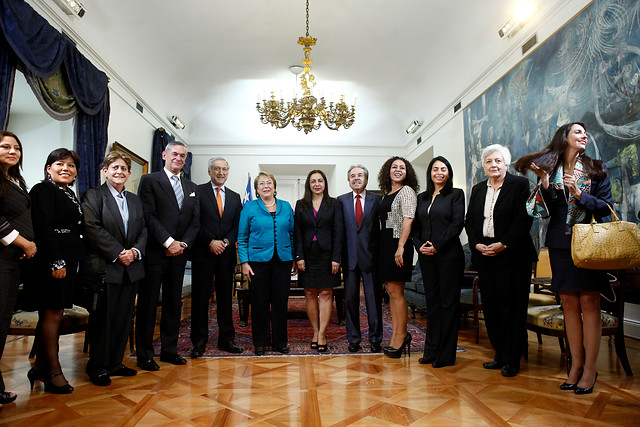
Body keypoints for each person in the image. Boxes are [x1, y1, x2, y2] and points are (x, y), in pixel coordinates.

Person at [515, 122, 612, 394]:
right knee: (569, 303)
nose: (583, 136)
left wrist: (580, 195)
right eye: (577, 132)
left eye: (584, 133)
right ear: (565, 138)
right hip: (559, 244)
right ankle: (575, 365)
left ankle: (590, 368)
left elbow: (606, 206)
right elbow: (541, 211)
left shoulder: (596, 168)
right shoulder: (552, 170)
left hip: (588, 243)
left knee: (590, 301)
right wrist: (545, 183)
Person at [465, 144, 536, 378]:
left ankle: (512, 359)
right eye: (488, 161)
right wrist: (475, 243)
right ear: (484, 166)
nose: (493, 165)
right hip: (484, 254)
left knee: (512, 308)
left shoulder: (520, 185)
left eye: (497, 161)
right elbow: (470, 221)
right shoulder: (477, 189)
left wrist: (503, 243)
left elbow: (524, 219)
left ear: (506, 163)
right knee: (492, 307)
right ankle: (499, 354)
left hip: (513, 254)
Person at [81, 151, 147, 386]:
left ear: (129, 173)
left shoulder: (135, 200)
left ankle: (116, 363)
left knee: (124, 317)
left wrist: (135, 252)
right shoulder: (93, 195)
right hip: (106, 268)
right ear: (105, 171)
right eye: (114, 167)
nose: (119, 172)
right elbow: (91, 227)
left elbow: (142, 231)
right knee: (104, 319)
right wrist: (119, 252)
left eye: (123, 169)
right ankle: (97, 366)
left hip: (131, 269)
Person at [136, 141, 200, 370]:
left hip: (179, 255)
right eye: (175, 154)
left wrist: (182, 244)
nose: (179, 158)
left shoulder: (192, 186)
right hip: (156, 252)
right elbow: (149, 215)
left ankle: (169, 350)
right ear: (164, 155)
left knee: (174, 305)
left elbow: (195, 222)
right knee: (148, 305)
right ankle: (144, 354)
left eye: (183, 155)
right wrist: (168, 241)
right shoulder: (150, 181)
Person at [27, 148, 84, 394]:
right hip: (52, 264)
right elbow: (43, 228)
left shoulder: (68, 193)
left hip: (67, 262)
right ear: (48, 168)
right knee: (51, 314)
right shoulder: (42, 190)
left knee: (56, 313)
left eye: (71, 166)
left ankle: (40, 367)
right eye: (60, 164)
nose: (66, 169)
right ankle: (53, 371)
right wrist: (56, 262)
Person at [413, 156, 465, 368]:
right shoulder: (422, 197)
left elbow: (457, 224)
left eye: (443, 169)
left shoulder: (456, 194)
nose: (439, 172)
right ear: (430, 173)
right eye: (435, 169)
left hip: (449, 256)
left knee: (448, 304)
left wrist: (437, 245)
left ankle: (446, 355)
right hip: (426, 257)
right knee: (432, 304)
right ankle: (431, 351)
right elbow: (415, 227)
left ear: (449, 173)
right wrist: (419, 246)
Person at [238, 172, 295, 355]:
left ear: (275, 187)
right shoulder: (249, 208)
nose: (265, 186)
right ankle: (260, 342)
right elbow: (242, 237)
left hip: (283, 261)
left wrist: (293, 257)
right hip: (257, 263)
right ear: (256, 189)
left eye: (269, 182)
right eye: (261, 183)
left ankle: (280, 342)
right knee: (259, 303)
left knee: (280, 303)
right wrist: (244, 262)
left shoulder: (286, 207)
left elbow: (293, 234)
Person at [190, 157, 243, 357]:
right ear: (210, 171)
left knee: (225, 299)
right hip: (204, 252)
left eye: (224, 169)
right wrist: (210, 241)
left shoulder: (235, 196)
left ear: (228, 172)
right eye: (217, 169)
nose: (221, 173)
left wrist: (226, 242)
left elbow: (237, 224)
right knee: (201, 298)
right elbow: (194, 220)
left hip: (226, 255)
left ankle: (227, 339)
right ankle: (199, 341)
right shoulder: (197, 191)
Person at [0, 131, 36, 408]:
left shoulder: (15, 180)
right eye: (5, 146)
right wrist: (23, 241)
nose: (12, 151)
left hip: (12, 262)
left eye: (16, 147)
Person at [294, 170, 343, 352]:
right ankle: (315, 330)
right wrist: (299, 257)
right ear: (308, 184)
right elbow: (297, 233)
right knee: (309, 293)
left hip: (327, 255)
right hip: (307, 255)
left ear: (325, 183)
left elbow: (339, 232)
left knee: (325, 293)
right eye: (313, 181)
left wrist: (336, 258)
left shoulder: (334, 204)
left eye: (320, 180)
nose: (317, 184)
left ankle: (322, 333)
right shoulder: (300, 205)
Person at [338, 165, 383, 353]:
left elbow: (383, 229)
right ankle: (354, 339)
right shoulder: (340, 201)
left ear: (366, 179)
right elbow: (338, 231)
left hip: (371, 258)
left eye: (360, 175)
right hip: (348, 258)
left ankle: (375, 339)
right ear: (348, 181)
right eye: (352, 176)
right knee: (350, 301)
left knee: (373, 301)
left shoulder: (378, 200)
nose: (356, 178)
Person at [377, 156, 418, 358]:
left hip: (399, 246)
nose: (398, 170)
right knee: (391, 292)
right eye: (394, 167)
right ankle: (396, 334)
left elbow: (408, 219)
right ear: (388, 171)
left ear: (407, 171)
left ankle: (402, 336)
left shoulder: (407, 191)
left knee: (397, 292)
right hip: (386, 246)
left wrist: (401, 246)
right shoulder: (387, 194)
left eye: (402, 167)